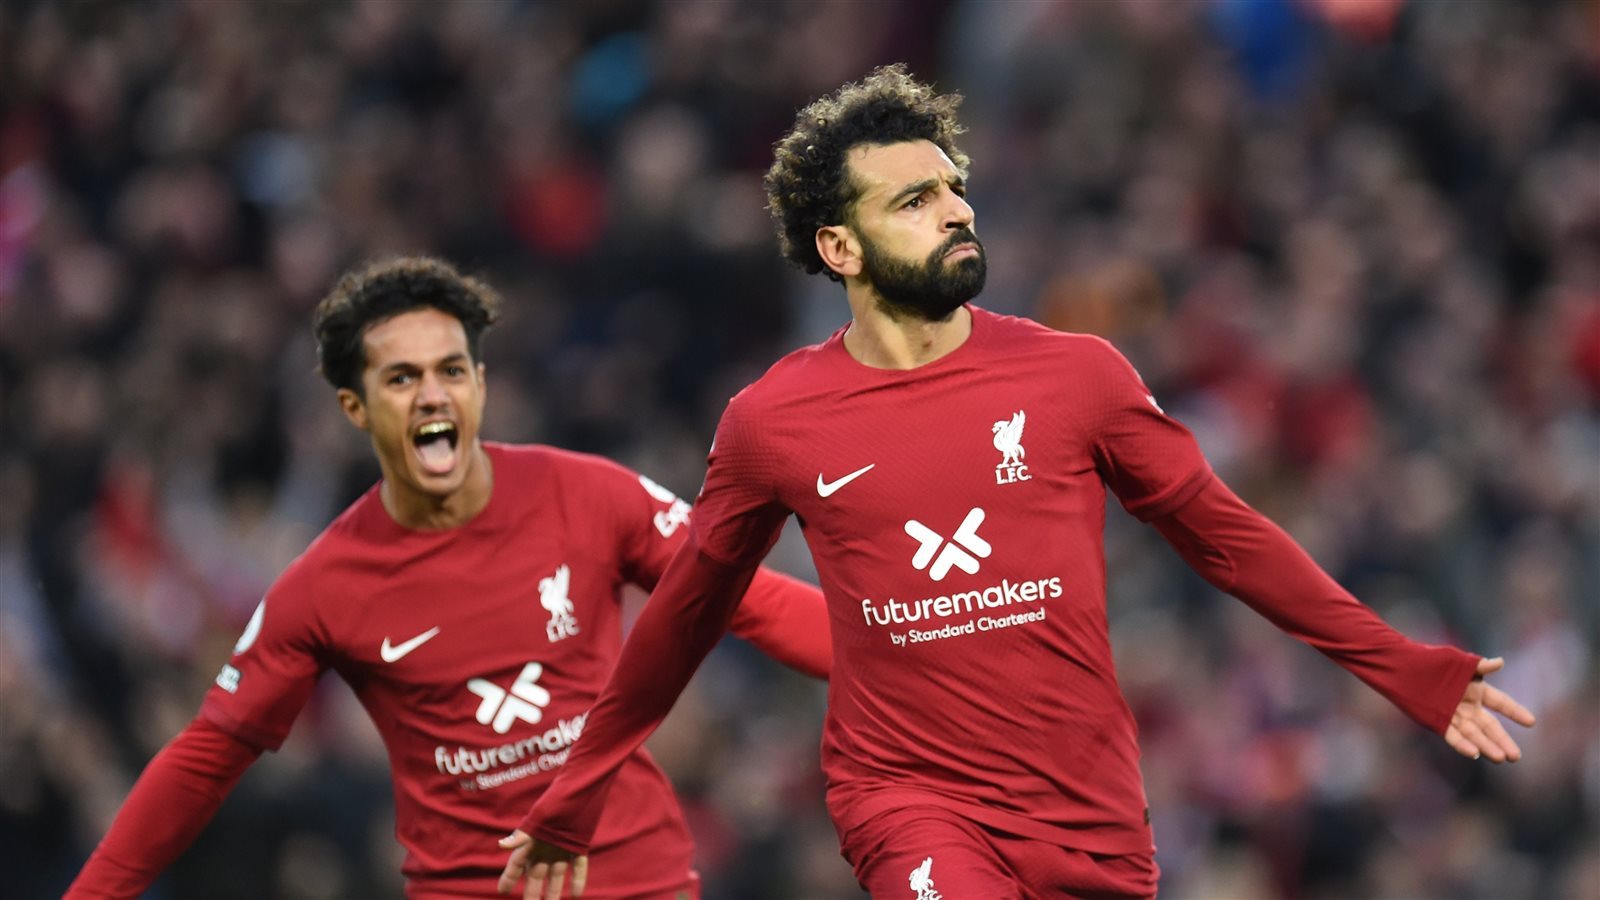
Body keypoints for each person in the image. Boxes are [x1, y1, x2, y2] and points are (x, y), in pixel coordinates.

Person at [499, 65, 1536, 900]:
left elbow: (1227, 539)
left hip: (1091, 818)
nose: (956, 210)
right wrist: (579, 791)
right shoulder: (772, 423)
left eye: (954, 186)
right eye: (915, 200)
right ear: (839, 246)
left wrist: (1404, 667)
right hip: (908, 804)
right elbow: (686, 614)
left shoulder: (1076, 376)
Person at [65, 256, 833, 900]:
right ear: (356, 407)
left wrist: (897, 654)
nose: (433, 395)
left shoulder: (591, 496)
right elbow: (206, 757)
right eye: (402, 378)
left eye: (451, 370)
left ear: (479, 385)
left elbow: (752, 599)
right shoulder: (327, 584)